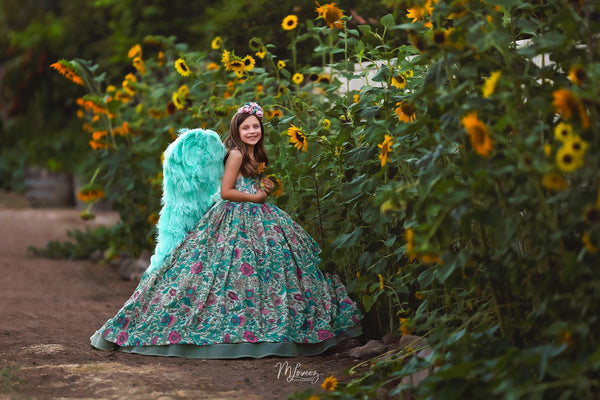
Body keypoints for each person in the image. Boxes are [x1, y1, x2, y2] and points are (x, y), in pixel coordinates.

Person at [90, 102, 363, 358]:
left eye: (256, 126)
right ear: (237, 130)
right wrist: (256, 196)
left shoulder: (255, 153)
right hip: (235, 215)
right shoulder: (234, 154)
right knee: (216, 269)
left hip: (261, 217)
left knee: (273, 265)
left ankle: (271, 321)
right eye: (246, 127)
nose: (252, 131)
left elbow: (247, 183)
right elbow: (226, 191)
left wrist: (263, 185)